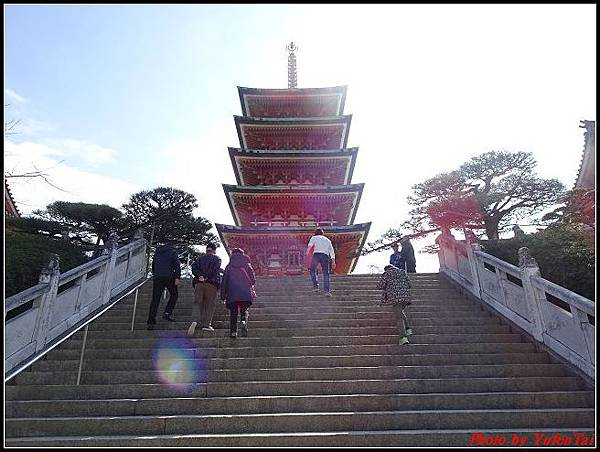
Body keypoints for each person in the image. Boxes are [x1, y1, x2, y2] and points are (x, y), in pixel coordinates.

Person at [187, 243, 222, 336]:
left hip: (199, 283)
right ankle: (206, 324)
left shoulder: (199, 259)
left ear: (207, 250)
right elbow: (215, 269)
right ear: (214, 250)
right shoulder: (217, 259)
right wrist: (206, 277)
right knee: (210, 304)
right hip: (211, 284)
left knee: (197, 302)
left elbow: (193, 268)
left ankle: (194, 321)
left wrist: (200, 276)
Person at [220, 248, 256, 338]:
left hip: (232, 294)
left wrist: (223, 296)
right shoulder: (247, 265)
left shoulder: (229, 266)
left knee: (233, 313)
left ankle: (233, 332)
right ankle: (243, 321)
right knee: (244, 310)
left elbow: (224, 282)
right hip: (245, 293)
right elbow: (253, 280)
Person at [147, 243, 181, 330]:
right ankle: (167, 313)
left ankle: (151, 321)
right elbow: (176, 265)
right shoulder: (173, 252)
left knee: (155, 299)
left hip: (158, 278)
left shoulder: (157, 253)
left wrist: (155, 275)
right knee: (174, 294)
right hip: (169, 277)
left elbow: (153, 265)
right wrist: (177, 277)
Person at [376, 264, 413, 345]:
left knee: (398, 317)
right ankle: (408, 329)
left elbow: (380, 286)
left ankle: (403, 338)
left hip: (395, 297)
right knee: (400, 312)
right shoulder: (402, 272)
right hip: (405, 297)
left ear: (386, 269)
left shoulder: (387, 274)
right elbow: (410, 285)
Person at [307, 228, 336, 297]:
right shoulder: (327, 240)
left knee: (312, 270)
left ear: (315, 233)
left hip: (316, 255)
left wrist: (307, 254)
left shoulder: (314, 238)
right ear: (322, 233)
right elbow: (331, 251)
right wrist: (333, 261)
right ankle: (327, 291)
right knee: (326, 273)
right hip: (325, 256)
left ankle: (316, 286)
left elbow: (309, 246)